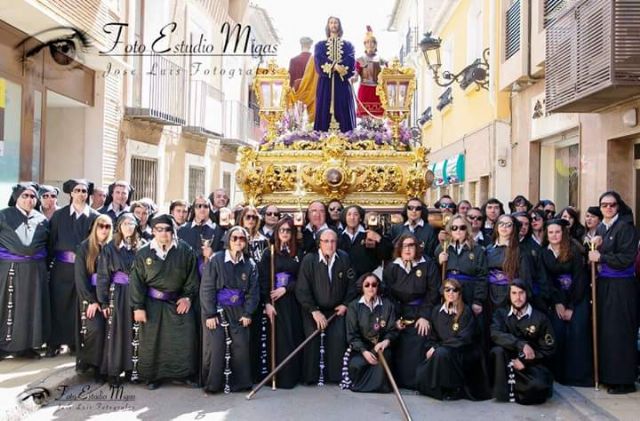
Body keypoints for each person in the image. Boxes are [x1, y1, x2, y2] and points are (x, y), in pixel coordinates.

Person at [129, 214, 199, 390]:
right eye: (159, 229)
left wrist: (187, 297)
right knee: (152, 341)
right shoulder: (144, 253)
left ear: (173, 231)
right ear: (153, 231)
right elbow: (136, 282)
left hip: (177, 302)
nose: (164, 233)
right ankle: (152, 376)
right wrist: (138, 307)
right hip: (152, 303)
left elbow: (192, 277)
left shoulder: (185, 250)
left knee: (184, 339)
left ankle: (183, 375)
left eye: (168, 229)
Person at [588, 191, 638, 394]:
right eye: (604, 205)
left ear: (619, 206)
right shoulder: (601, 227)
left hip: (622, 286)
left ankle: (624, 380)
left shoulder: (626, 228)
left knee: (620, 331)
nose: (608, 208)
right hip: (606, 284)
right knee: (607, 331)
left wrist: (601, 257)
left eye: (612, 205)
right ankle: (609, 376)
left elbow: (626, 258)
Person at [200, 226, 259, 393]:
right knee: (217, 347)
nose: (238, 241)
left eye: (242, 239)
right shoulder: (216, 260)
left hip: (240, 310)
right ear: (228, 240)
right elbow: (207, 288)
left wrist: (248, 312)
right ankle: (214, 385)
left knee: (240, 346)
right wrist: (210, 313)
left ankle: (240, 383)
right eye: (234, 238)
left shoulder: (250, 264)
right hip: (218, 310)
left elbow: (252, 292)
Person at [296, 228, 357, 385]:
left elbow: (352, 284)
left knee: (337, 339)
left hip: (337, 310)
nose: (330, 244)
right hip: (313, 310)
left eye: (333, 241)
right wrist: (314, 311)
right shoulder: (309, 260)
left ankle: (335, 376)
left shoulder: (344, 258)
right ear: (319, 243)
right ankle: (310, 377)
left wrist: (345, 304)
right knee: (312, 339)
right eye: (326, 241)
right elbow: (302, 289)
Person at [47, 179, 99, 357]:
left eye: (84, 191)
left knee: (79, 306)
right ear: (71, 193)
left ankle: (75, 343)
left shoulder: (94, 217)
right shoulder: (59, 215)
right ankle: (54, 342)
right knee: (59, 304)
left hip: (84, 268)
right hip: (62, 268)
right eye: (77, 190)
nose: (81, 194)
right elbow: (51, 242)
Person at [416, 279, 490, 401]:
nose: (451, 293)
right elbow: (432, 337)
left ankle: (452, 388)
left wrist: (438, 347)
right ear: (443, 292)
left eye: (454, 290)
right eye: (447, 289)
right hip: (443, 352)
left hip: (462, 353)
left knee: (442, 353)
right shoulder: (436, 311)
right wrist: (432, 346)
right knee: (421, 376)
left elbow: (463, 339)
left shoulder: (466, 312)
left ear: (459, 293)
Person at [382, 234, 440, 389]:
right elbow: (387, 295)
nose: (407, 249)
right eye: (404, 246)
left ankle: (418, 382)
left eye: (411, 245)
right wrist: (395, 317)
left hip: (421, 311)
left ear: (418, 248)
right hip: (399, 311)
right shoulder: (392, 267)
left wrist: (424, 316)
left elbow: (433, 293)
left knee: (422, 336)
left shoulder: (428, 265)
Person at [0, 183, 50, 359]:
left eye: (32, 196)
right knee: (8, 307)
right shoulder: (4, 215)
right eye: (25, 196)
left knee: (31, 308)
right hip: (9, 269)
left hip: (36, 271)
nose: (29, 200)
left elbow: (48, 245)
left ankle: (26, 346)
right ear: (16, 197)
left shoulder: (41, 219)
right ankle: (4, 346)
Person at [541, 219, 592, 387]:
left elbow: (580, 278)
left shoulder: (574, 250)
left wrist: (571, 306)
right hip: (558, 298)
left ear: (563, 233)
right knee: (559, 331)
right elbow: (547, 280)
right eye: (551, 232)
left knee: (577, 333)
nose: (554, 235)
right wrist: (557, 303)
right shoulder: (544, 253)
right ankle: (560, 375)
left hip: (577, 297)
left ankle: (578, 377)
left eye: (557, 232)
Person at [490, 279, 555, 405]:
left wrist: (525, 360)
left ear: (527, 294)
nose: (517, 297)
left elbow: (549, 349)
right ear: (509, 295)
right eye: (514, 293)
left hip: (531, 364)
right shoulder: (501, 313)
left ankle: (518, 390)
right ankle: (504, 392)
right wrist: (521, 344)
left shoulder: (540, 318)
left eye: (521, 293)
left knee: (538, 387)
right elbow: (495, 334)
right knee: (496, 351)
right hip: (506, 363)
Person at [98, 213, 144, 385]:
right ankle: (114, 372)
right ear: (119, 226)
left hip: (137, 292)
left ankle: (133, 370)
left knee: (136, 330)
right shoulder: (110, 248)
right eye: (125, 223)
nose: (129, 226)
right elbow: (103, 275)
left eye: (132, 223)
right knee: (118, 331)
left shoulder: (141, 246)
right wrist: (103, 301)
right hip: (118, 293)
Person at [259, 218, 304, 389]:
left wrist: (286, 288)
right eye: (281, 230)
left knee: (292, 337)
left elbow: (302, 278)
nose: (284, 233)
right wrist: (266, 303)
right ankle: (275, 376)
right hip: (274, 302)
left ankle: (291, 377)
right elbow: (263, 280)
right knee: (277, 339)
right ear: (277, 232)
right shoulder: (268, 252)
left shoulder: (298, 253)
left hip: (292, 300)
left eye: (288, 230)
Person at [342, 273, 397, 393]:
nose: (370, 288)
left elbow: (392, 330)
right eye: (367, 285)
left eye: (374, 284)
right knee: (356, 365)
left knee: (385, 358)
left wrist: (385, 342)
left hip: (381, 348)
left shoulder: (388, 305)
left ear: (378, 286)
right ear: (362, 287)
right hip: (362, 348)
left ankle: (379, 386)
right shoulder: (354, 306)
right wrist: (364, 352)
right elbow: (352, 335)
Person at [74, 214, 111, 376]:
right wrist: (92, 301)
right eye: (101, 225)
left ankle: (106, 366)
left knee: (110, 330)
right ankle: (91, 363)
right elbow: (80, 278)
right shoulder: (84, 247)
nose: (104, 229)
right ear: (95, 227)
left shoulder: (113, 248)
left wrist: (107, 301)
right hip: (90, 296)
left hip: (110, 297)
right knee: (95, 328)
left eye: (107, 226)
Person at [436, 215, 487, 319]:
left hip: (469, 291)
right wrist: (439, 262)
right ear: (450, 230)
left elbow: (482, 276)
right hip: (449, 291)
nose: (458, 231)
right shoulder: (443, 248)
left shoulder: (477, 250)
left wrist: (478, 300)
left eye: (462, 227)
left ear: (467, 229)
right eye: (454, 228)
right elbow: (434, 274)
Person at [485, 215, 535, 317]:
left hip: (509, 295)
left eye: (508, 225)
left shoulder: (520, 251)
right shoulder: (488, 250)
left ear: (514, 228)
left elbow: (525, 278)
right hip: (490, 295)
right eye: (501, 224)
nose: (504, 227)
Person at [314, 16, 356, 132]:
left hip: (342, 83)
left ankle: (346, 138)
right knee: (324, 108)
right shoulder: (319, 46)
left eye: (336, 23)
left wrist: (339, 66)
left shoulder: (348, 46)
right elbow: (318, 59)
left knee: (343, 108)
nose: (333, 25)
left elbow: (351, 60)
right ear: (328, 26)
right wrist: (333, 66)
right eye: (331, 23)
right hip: (325, 84)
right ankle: (322, 138)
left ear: (339, 25)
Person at [338, 205, 392, 280]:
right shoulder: (339, 236)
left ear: (360, 218)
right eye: (349, 214)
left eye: (355, 214)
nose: (352, 217)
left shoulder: (370, 233)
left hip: (368, 280)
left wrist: (379, 239)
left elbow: (386, 254)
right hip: (345, 279)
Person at [177, 195, 225, 275]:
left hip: (211, 275)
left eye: (205, 206)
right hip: (188, 275)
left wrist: (213, 254)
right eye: (198, 206)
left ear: (210, 209)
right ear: (193, 209)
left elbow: (224, 254)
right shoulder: (183, 230)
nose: (202, 209)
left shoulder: (219, 231)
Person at [354, 26, 386, 118]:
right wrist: (353, 78)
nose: (370, 44)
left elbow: (389, 72)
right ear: (365, 45)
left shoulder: (381, 60)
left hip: (378, 92)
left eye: (372, 42)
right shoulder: (360, 59)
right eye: (367, 42)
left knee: (378, 119)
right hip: (364, 90)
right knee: (365, 119)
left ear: (376, 45)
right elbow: (356, 73)